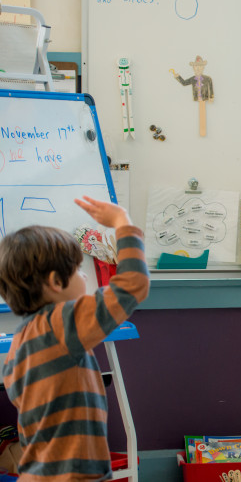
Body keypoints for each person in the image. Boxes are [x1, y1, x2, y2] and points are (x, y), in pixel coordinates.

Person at [0, 196, 150, 481]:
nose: (84, 275)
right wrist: (122, 224)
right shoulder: (63, 322)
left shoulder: (20, 342)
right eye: (79, 270)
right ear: (57, 282)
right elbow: (134, 285)